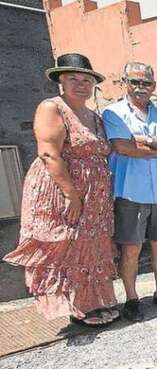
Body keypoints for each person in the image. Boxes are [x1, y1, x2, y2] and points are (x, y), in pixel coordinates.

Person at [3, 53, 118, 327]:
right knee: (66, 245)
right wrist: (71, 194)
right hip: (61, 190)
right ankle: (76, 308)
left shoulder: (93, 115)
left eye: (86, 79)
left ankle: (93, 302)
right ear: (60, 82)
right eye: (72, 79)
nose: (81, 84)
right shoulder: (51, 107)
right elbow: (49, 154)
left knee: (89, 247)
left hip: (93, 197)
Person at [102, 62, 157, 322]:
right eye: (135, 81)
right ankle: (131, 299)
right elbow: (122, 146)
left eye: (146, 83)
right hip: (131, 192)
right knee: (131, 249)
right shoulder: (113, 113)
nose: (140, 87)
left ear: (154, 86)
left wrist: (146, 140)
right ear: (123, 83)